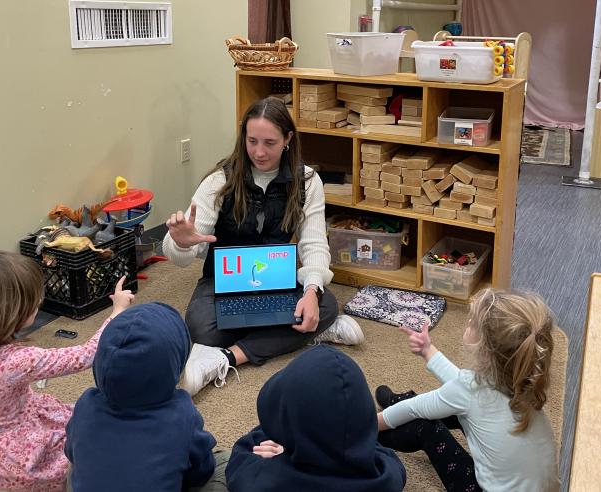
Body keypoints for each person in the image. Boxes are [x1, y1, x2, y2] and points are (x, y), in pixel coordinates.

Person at [163, 97, 364, 396]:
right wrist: (180, 242)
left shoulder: (308, 181)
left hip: (278, 278)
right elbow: (179, 254)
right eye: (252, 141)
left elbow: (314, 245)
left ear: (287, 139)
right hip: (223, 279)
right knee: (201, 328)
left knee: (325, 304)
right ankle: (309, 332)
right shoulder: (219, 180)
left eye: (270, 143)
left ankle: (228, 357)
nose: (259, 152)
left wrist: (311, 291)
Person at [0, 251, 134, 491]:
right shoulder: (18, 361)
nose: (39, 303)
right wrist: (117, 311)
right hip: (20, 455)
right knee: (89, 434)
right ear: (13, 311)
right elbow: (86, 355)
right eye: (34, 301)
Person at [375, 289, 560, 492]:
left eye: (473, 323)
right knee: (445, 405)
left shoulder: (470, 391)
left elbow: (415, 408)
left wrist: (368, 426)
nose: (468, 322)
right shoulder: (522, 381)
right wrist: (427, 350)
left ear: (485, 352)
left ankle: (371, 438)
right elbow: (463, 387)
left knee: (424, 425)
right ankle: (396, 403)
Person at [65, 302, 228, 492]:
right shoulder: (182, 414)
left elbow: (70, 451)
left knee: (76, 465)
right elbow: (202, 471)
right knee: (228, 462)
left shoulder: (85, 404)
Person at [226, 345, 406, 491]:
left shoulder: (266, 481)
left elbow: (240, 457)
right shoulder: (387, 477)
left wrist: (287, 447)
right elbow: (384, 454)